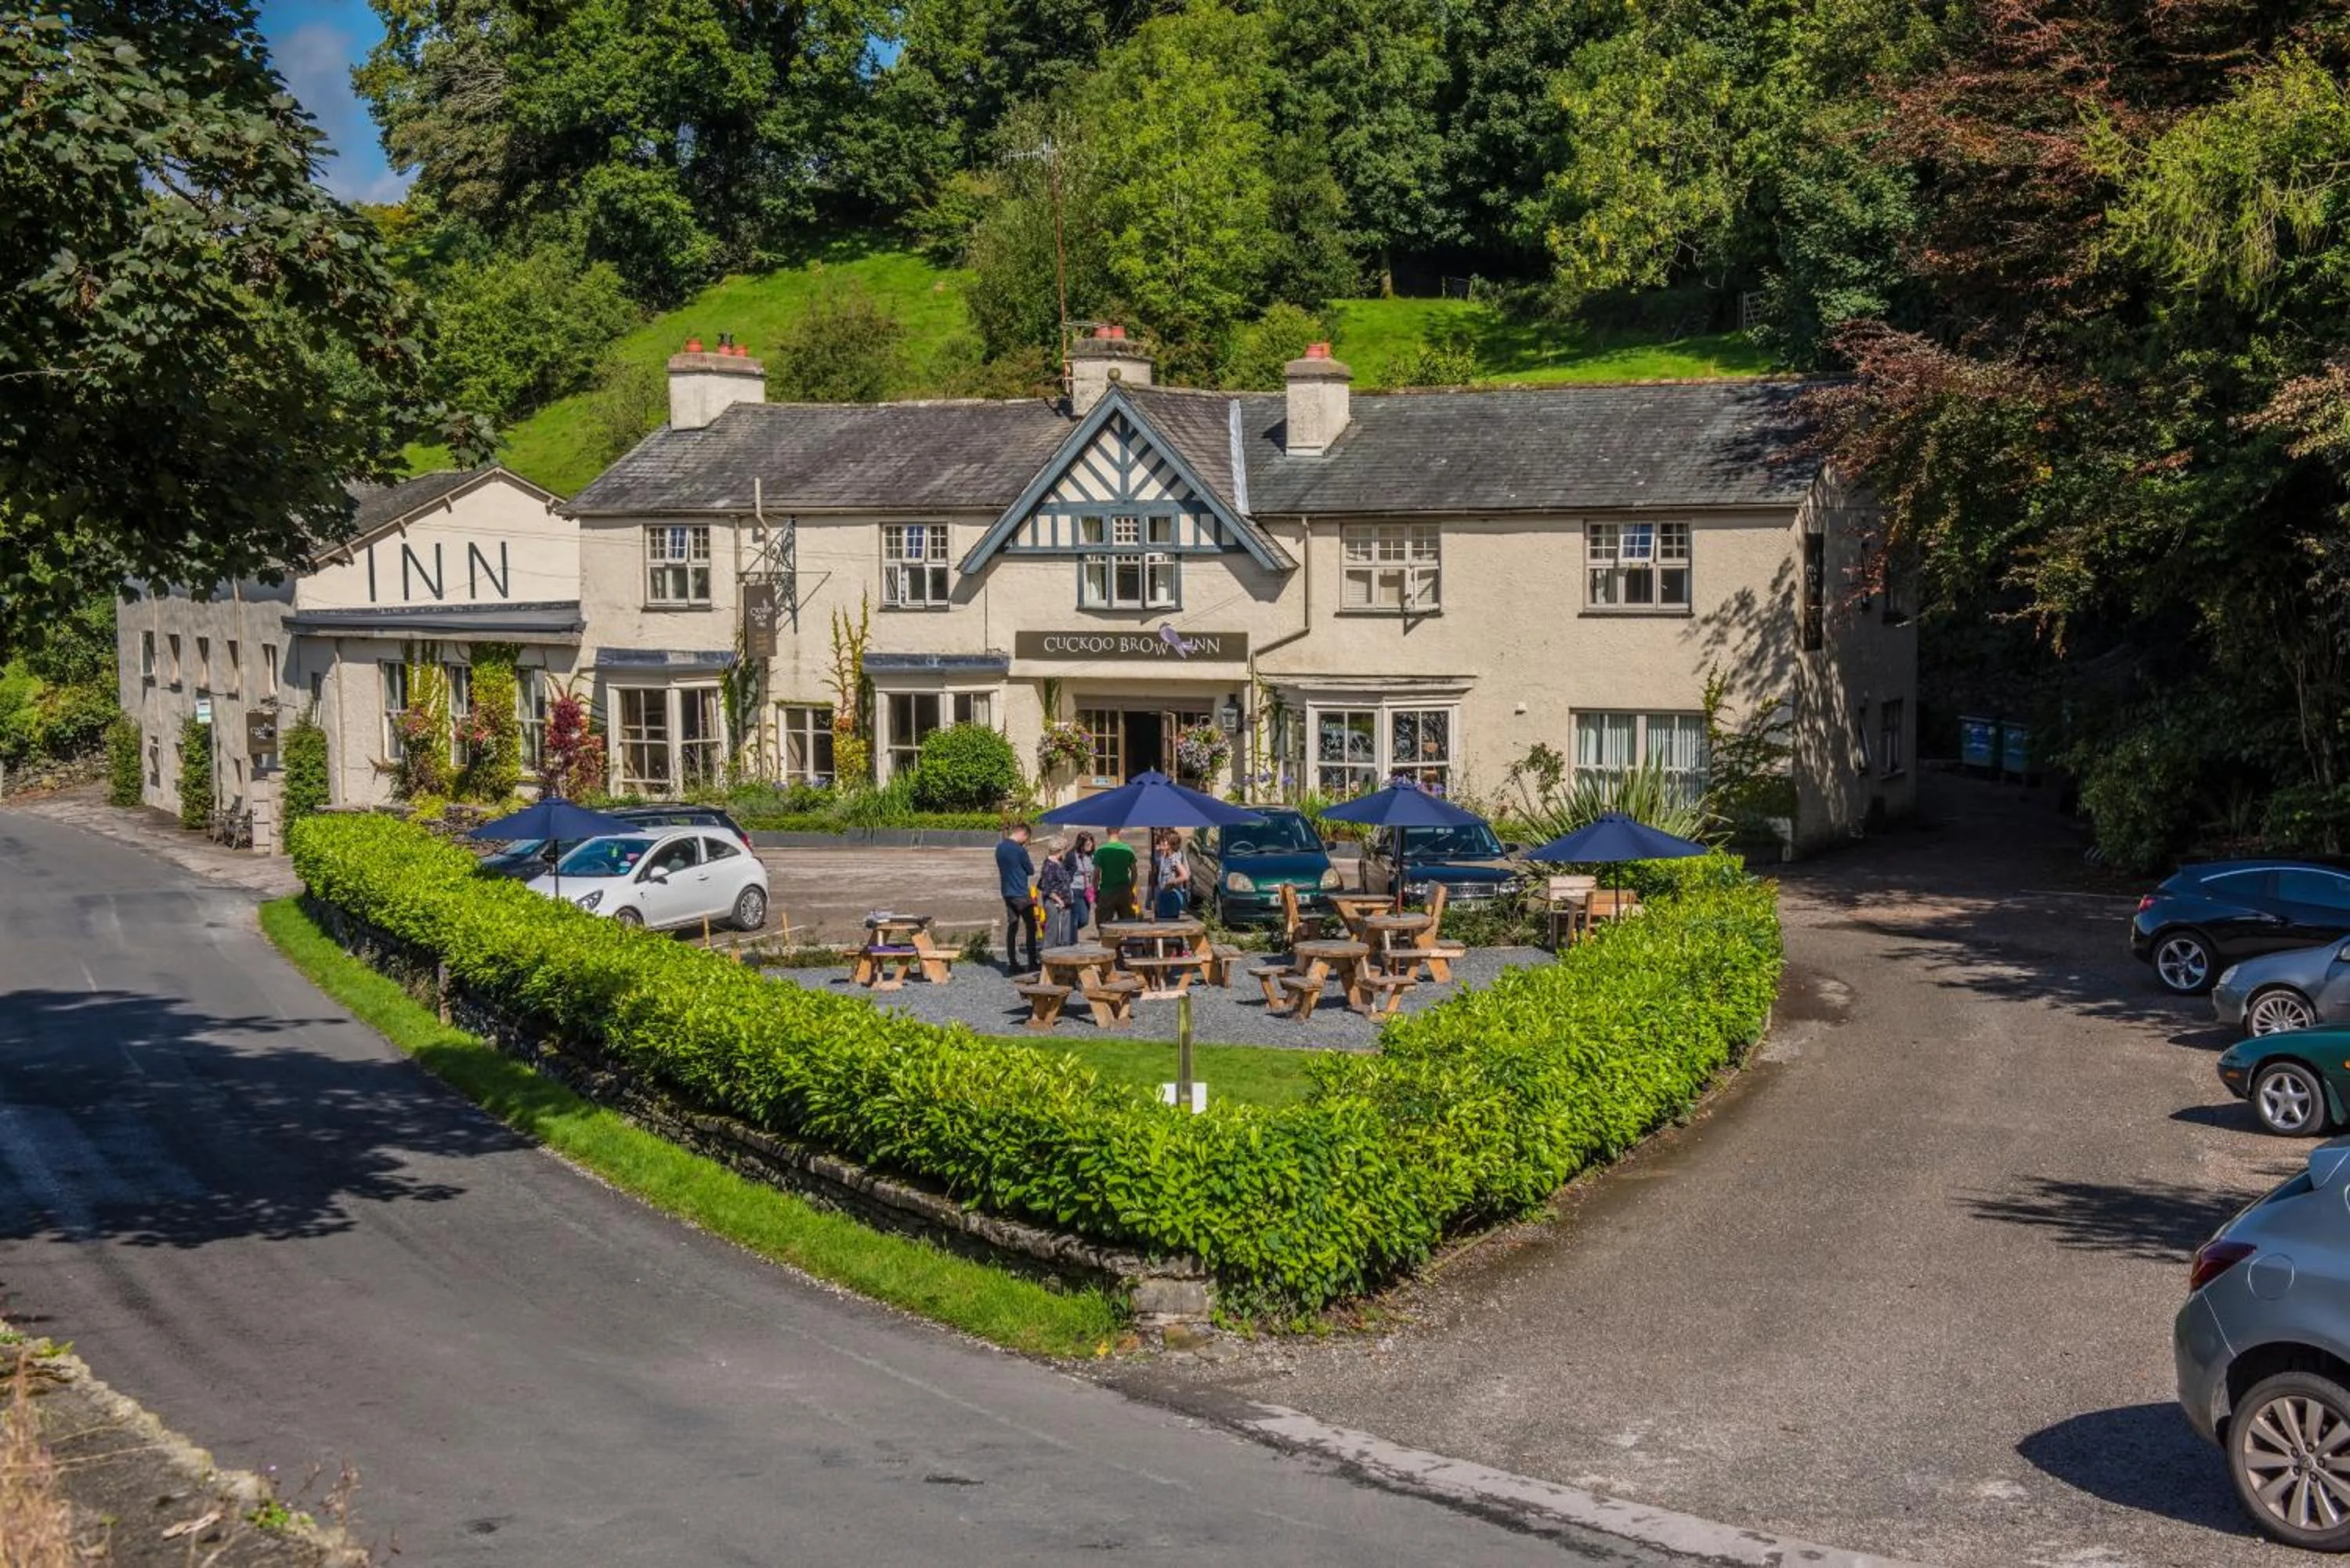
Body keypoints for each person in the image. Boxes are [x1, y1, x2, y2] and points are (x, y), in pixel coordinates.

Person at [995, 821, 1039, 974]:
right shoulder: (1020, 851)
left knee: (1012, 926)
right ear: (1023, 834)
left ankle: (1012, 962)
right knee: (1031, 926)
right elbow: (1030, 870)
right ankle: (1032, 962)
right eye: (1026, 838)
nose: (1025, 841)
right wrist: (1024, 851)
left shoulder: (1000, 847)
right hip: (1020, 892)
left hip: (1007, 891)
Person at [1093, 828, 1137, 930]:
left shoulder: (1101, 851)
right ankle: (1128, 944)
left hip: (1107, 890)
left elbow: (1096, 874)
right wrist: (1131, 888)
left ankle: (1107, 943)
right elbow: (1134, 872)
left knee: (1104, 922)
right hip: (1124, 889)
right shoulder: (1128, 849)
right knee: (1128, 922)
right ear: (1119, 831)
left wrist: (1096, 891)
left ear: (1107, 831)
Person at [1038, 840, 1076, 950]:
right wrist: (1059, 900)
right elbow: (1046, 887)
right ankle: (1048, 961)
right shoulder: (1048, 865)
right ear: (1059, 850)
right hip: (1055, 903)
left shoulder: (1059, 863)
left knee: (1065, 935)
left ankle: (1063, 962)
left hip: (1065, 902)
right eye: (1064, 849)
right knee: (1052, 933)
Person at [1152, 828, 1191, 918]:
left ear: (1170, 844)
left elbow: (1185, 876)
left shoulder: (1174, 858)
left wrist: (1172, 882)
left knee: (1169, 922)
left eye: (1164, 841)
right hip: (1163, 898)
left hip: (1171, 898)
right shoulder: (1163, 856)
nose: (1161, 843)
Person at [1065, 833, 1097, 933]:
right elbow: (1063, 870)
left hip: (1087, 891)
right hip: (1075, 889)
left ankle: (1068, 932)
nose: (1090, 846)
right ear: (1081, 844)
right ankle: (1071, 938)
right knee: (1079, 918)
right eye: (1087, 844)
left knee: (1084, 920)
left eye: (1091, 843)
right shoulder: (1072, 856)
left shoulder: (1092, 856)